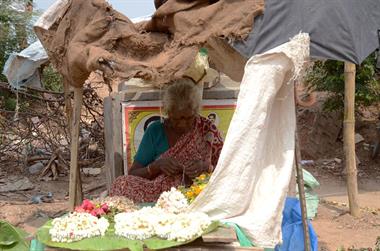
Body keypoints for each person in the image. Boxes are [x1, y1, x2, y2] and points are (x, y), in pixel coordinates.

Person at [110, 78, 224, 203]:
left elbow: (225, 168)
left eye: (188, 118)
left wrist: (204, 167)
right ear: (168, 113)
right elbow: (133, 174)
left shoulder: (206, 129)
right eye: (177, 119)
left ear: (196, 111)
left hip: (196, 192)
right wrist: (156, 166)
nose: (182, 124)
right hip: (159, 195)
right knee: (121, 183)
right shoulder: (156, 131)